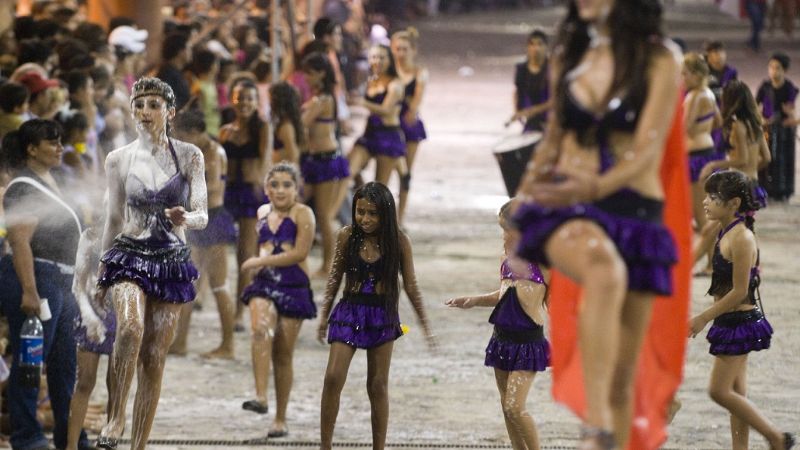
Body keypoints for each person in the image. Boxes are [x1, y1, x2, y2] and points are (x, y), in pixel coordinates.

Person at [512, 0, 685, 447]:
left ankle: (609, 431)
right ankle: (596, 429)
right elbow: (553, 137)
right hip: (571, 208)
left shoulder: (661, 59)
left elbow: (647, 152)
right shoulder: (569, 52)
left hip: (637, 217)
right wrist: (527, 193)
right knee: (602, 269)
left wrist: (593, 186)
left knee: (625, 377)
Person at [95, 77, 208, 450]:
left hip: (172, 260)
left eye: (154, 105)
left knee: (156, 357)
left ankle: (139, 443)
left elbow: (203, 215)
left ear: (169, 112)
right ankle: (116, 417)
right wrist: (99, 272)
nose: (145, 112)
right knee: (129, 328)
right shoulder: (118, 158)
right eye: (139, 105)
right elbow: (112, 218)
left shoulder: (190, 155)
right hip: (129, 253)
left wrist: (185, 219)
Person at [317, 182, 435, 450]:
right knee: (333, 377)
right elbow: (335, 277)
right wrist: (324, 315)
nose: (365, 219)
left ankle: (378, 448)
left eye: (372, 213)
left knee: (378, 385)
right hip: (349, 310)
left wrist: (425, 323)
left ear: (386, 214)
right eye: (360, 211)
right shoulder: (346, 236)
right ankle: (325, 446)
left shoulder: (400, 241)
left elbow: (411, 285)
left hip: (382, 313)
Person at [0, 119, 91, 450]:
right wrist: (29, 290)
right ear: (31, 149)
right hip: (38, 277)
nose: (59, 147)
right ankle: (27, 435)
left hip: (63, 281)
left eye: (60, 140)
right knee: (30, 360)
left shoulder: (53, 180)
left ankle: (70, 435)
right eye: (51, 142)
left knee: (65, 365)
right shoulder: (23, 187)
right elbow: (19, 241)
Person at [689, 170, 795, 450]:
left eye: (713, 197)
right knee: (737, 392)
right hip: (728, 320)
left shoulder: (742, 239)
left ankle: (775, 437)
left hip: (739, 321)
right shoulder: (723, 230)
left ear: (734, 203)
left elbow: (739, 290)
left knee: (718, 391)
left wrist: (702, 318)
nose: (705, 203)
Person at [446, 201, 550, 450]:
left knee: (515, 406)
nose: (502, 235)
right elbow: (505, 294)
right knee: (506, 406)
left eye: (506, 229)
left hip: (528, 343)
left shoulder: (545, 263)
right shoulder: (506, 260)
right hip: (502, 339)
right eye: (501, 229)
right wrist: (474, 301)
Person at [239, 163, 316, 438]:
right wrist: (260, 266)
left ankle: (280, 419)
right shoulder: (262, 212)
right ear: (266, 188)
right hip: (265, 282)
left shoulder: (303, 213)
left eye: (287, 185)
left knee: (283, 354)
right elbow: (264, 245)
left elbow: (300, 253)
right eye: (275, 184)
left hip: (294, 285)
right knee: (260, 329)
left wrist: (261, 260)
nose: (280, 190)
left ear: (297, 189)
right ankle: (260, 397)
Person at [170, 110, 237, 359]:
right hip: (199, 220)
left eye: (184, 136)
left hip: (214, 220)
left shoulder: (213, 153)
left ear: (196, 133)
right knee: (189, 283)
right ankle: (180, 342)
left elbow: (215, 187)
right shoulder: (196, 152)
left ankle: (228, 345)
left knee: (219, 286)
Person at [219, 79, 272, 328]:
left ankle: (240, 312)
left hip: (251, 194)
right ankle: (209, 295)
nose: (245, 103)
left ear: (257, 101)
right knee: (214, 246)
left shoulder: (262, 128)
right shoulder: (226, 130)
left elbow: (265, 160)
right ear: (233, 100)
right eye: (241, 98)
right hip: (229, 192)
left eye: (251, 98)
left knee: (245, 253)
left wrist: (266, 190)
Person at [67, 217, 116, 450]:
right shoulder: (89, 237)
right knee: (85, 382)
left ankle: (107, 443)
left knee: (116, 387)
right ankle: (71, 446)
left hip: (121, 314)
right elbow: (78, 284)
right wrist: (89, 316)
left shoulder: (131, 237)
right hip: (91, 313)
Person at [301, 53, 350, 277]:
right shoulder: (318, 98)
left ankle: (329, 265)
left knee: (323, 216)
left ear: (321, 74)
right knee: (299, 205)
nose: (307, 78)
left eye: (310, 73)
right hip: (314, 161)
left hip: (326, 161)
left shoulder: (324, 100)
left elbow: (302, 123)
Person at [699, 80, 771, 209]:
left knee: (724, 226)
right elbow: (766, 158)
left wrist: (713, 165)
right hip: (752, 183)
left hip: (738, 184)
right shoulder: (756, 124)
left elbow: (742, 159)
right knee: (742, 225)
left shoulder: (738, 126)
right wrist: (752, 168)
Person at [348, 45, 406, 186]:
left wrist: (362, 102)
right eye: (374, 57)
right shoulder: (371, 80)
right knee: (347, 172)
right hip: (370, 133)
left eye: (382, 57)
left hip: (388, 136)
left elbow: (385, 110)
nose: (377, 61)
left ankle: (383, 205)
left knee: (380, 187)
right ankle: (362, 194)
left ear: (390, 60)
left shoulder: (396, 84)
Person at [391, 27, 429, 226]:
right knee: (391, 168)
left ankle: (400, 217)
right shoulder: (388, 71)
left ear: (412, 50)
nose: (401, 53)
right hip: (388, 126)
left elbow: (415, 103)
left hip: (408, 125)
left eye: (405, 49)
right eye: (397, 48)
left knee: (406, 174)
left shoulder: (419, 73)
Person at [683, 53, 722, 232]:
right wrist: (703, 128)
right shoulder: (710, 94)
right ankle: (710, 258)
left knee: (700, 216)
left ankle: (713, 257)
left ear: (697, 75)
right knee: (706, 212)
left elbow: (686, 127)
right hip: (707, 151)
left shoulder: (694, 96)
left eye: (685, 74)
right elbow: (718, 122)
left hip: (695, 156)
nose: (682, 79)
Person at [756, 52, 797, 202]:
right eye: (771, 67)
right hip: (767, 129)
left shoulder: (789, 87)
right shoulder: (765, 86)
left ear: (784, 70)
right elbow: (756, 106)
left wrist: (789, 113)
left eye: (777, 68)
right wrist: (762, 118)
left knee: (782, 160)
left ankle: (783, 191)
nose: (774, 71)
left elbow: (790, 109)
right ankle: (765, 189)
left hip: (784, 131)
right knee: (766, 159)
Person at [509, 29, 551, 133]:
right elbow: (518, 91)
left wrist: (533, 110)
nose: (535, 48)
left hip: (551, 122)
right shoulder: (522, 69)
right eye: (532, 44)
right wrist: (517, 111)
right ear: (527, 47)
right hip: (531, 122)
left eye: (540, 44)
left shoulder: (552, 69)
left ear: (546, 47)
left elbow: (558, 99)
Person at [270, 82, 304, 166]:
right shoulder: (284, 123)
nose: (270, 103)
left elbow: (293, 155)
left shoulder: (286, 126)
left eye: (271, 99)